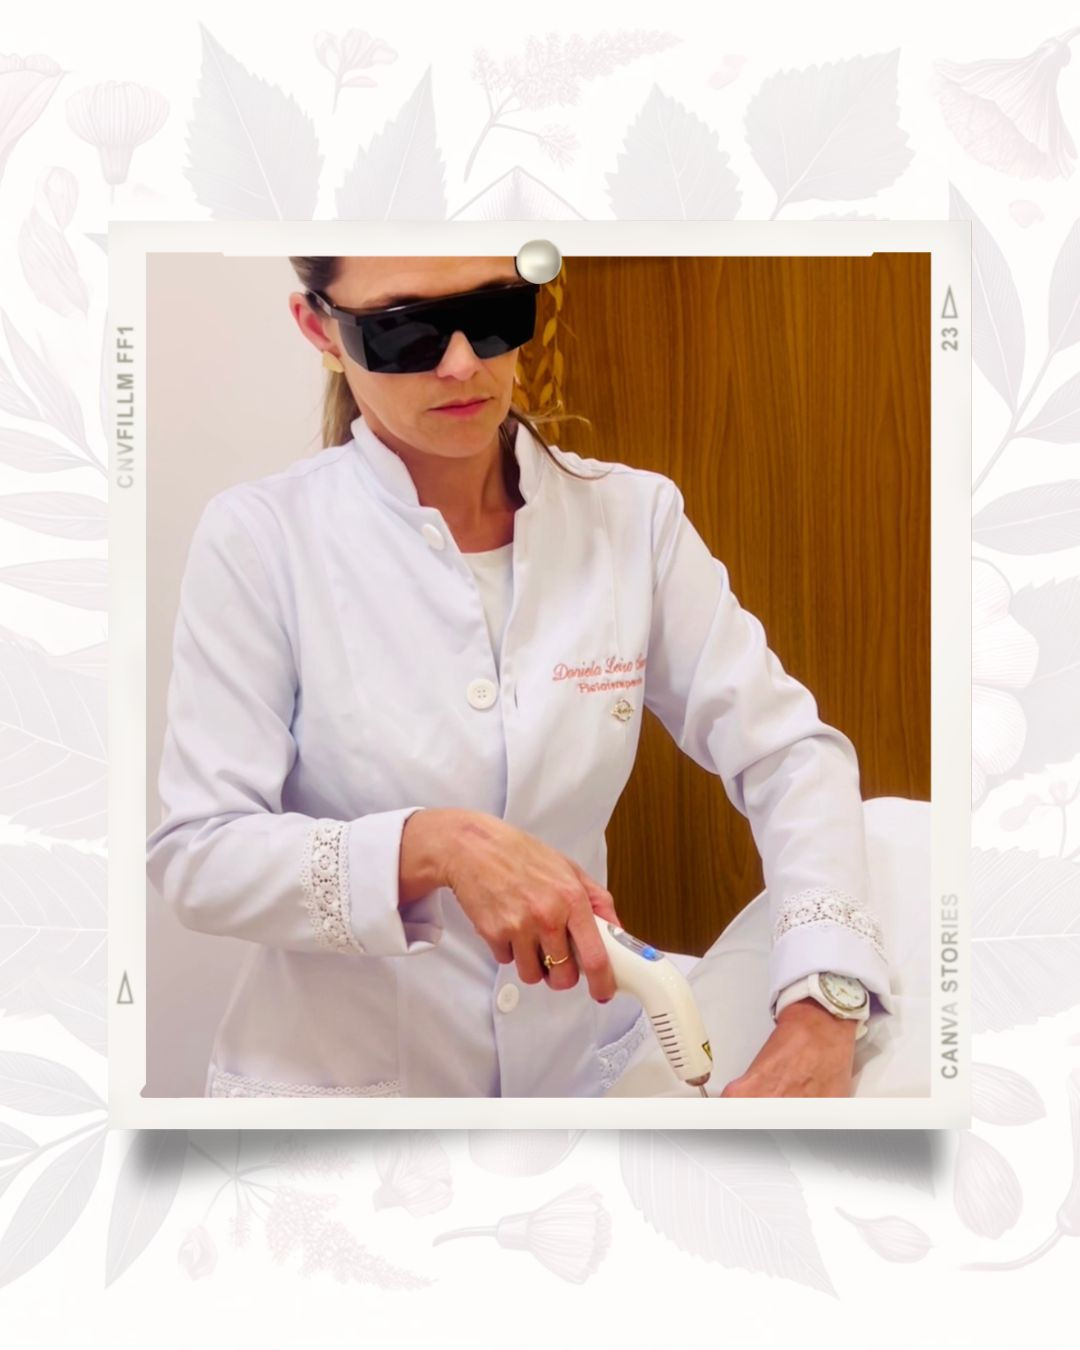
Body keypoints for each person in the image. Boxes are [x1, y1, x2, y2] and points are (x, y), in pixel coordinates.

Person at [145, 254, 896, 1099]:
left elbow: (789, 755)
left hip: (577, 1076)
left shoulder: (630, 519)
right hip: (342, 1099)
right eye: (405, 330)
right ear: (319, 328)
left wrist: (824, 1003)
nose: (462, 362)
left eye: (494, 314)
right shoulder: (261, 538)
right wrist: (430, 847)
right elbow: (199, 856)